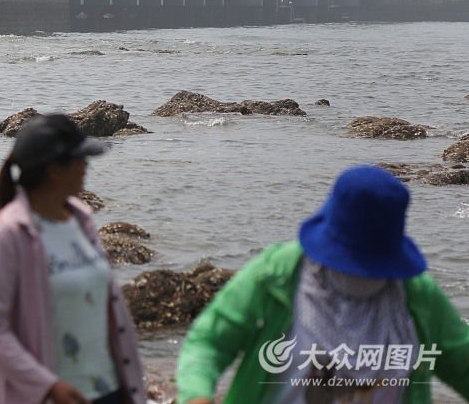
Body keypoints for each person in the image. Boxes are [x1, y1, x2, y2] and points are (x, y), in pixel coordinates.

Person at [176, 165, 469, 404]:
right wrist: (197, 394)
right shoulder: (278, 275)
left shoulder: (414, 295)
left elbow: (460, 361)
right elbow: (208, 343)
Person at [0, 114, 146, 404]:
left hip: (111, 390)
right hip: (51, 396)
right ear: (54, 169)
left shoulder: (82, 221)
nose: (86, 166)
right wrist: (49, 386)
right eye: (79, 159)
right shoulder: (8, 234)